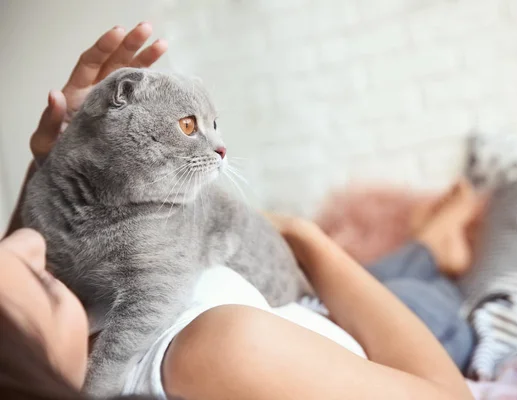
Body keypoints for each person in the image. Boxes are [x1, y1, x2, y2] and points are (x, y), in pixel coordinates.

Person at [1, 23, 475, 399]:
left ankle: (431, 243)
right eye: (40, 278)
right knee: (425, 293)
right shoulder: (221, 352)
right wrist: (308, 240)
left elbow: (36, 245)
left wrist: (59, 162)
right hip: (365, 331)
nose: (28, 241)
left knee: (393, 268)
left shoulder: (52, 332)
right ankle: (435, 247)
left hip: (323, 300)